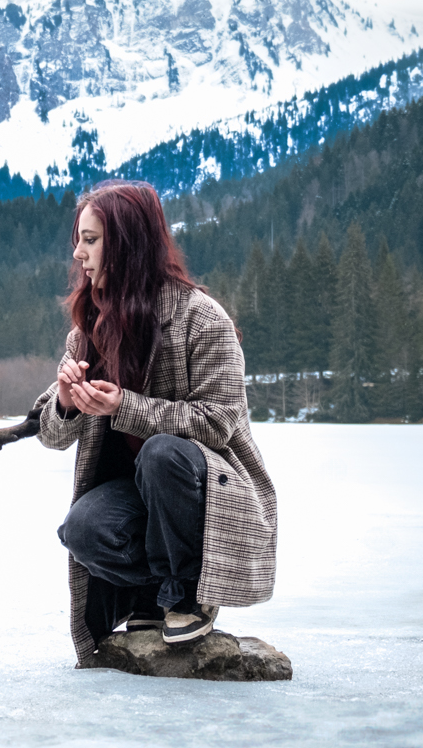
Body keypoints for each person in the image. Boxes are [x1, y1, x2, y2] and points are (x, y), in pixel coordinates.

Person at [33, 179, 277, 664]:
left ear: (127, 244)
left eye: (90, 240)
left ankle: (190, 593)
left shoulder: (203, 319)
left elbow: (218, 423)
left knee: (162, 453)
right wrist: (65, 401)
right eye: (78, 240)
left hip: (211, 495)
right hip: (142, 498)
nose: (78, 254)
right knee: (83, 530)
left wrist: (124, 407)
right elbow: (51, 434)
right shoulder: (89, 329)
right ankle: (153, 594)